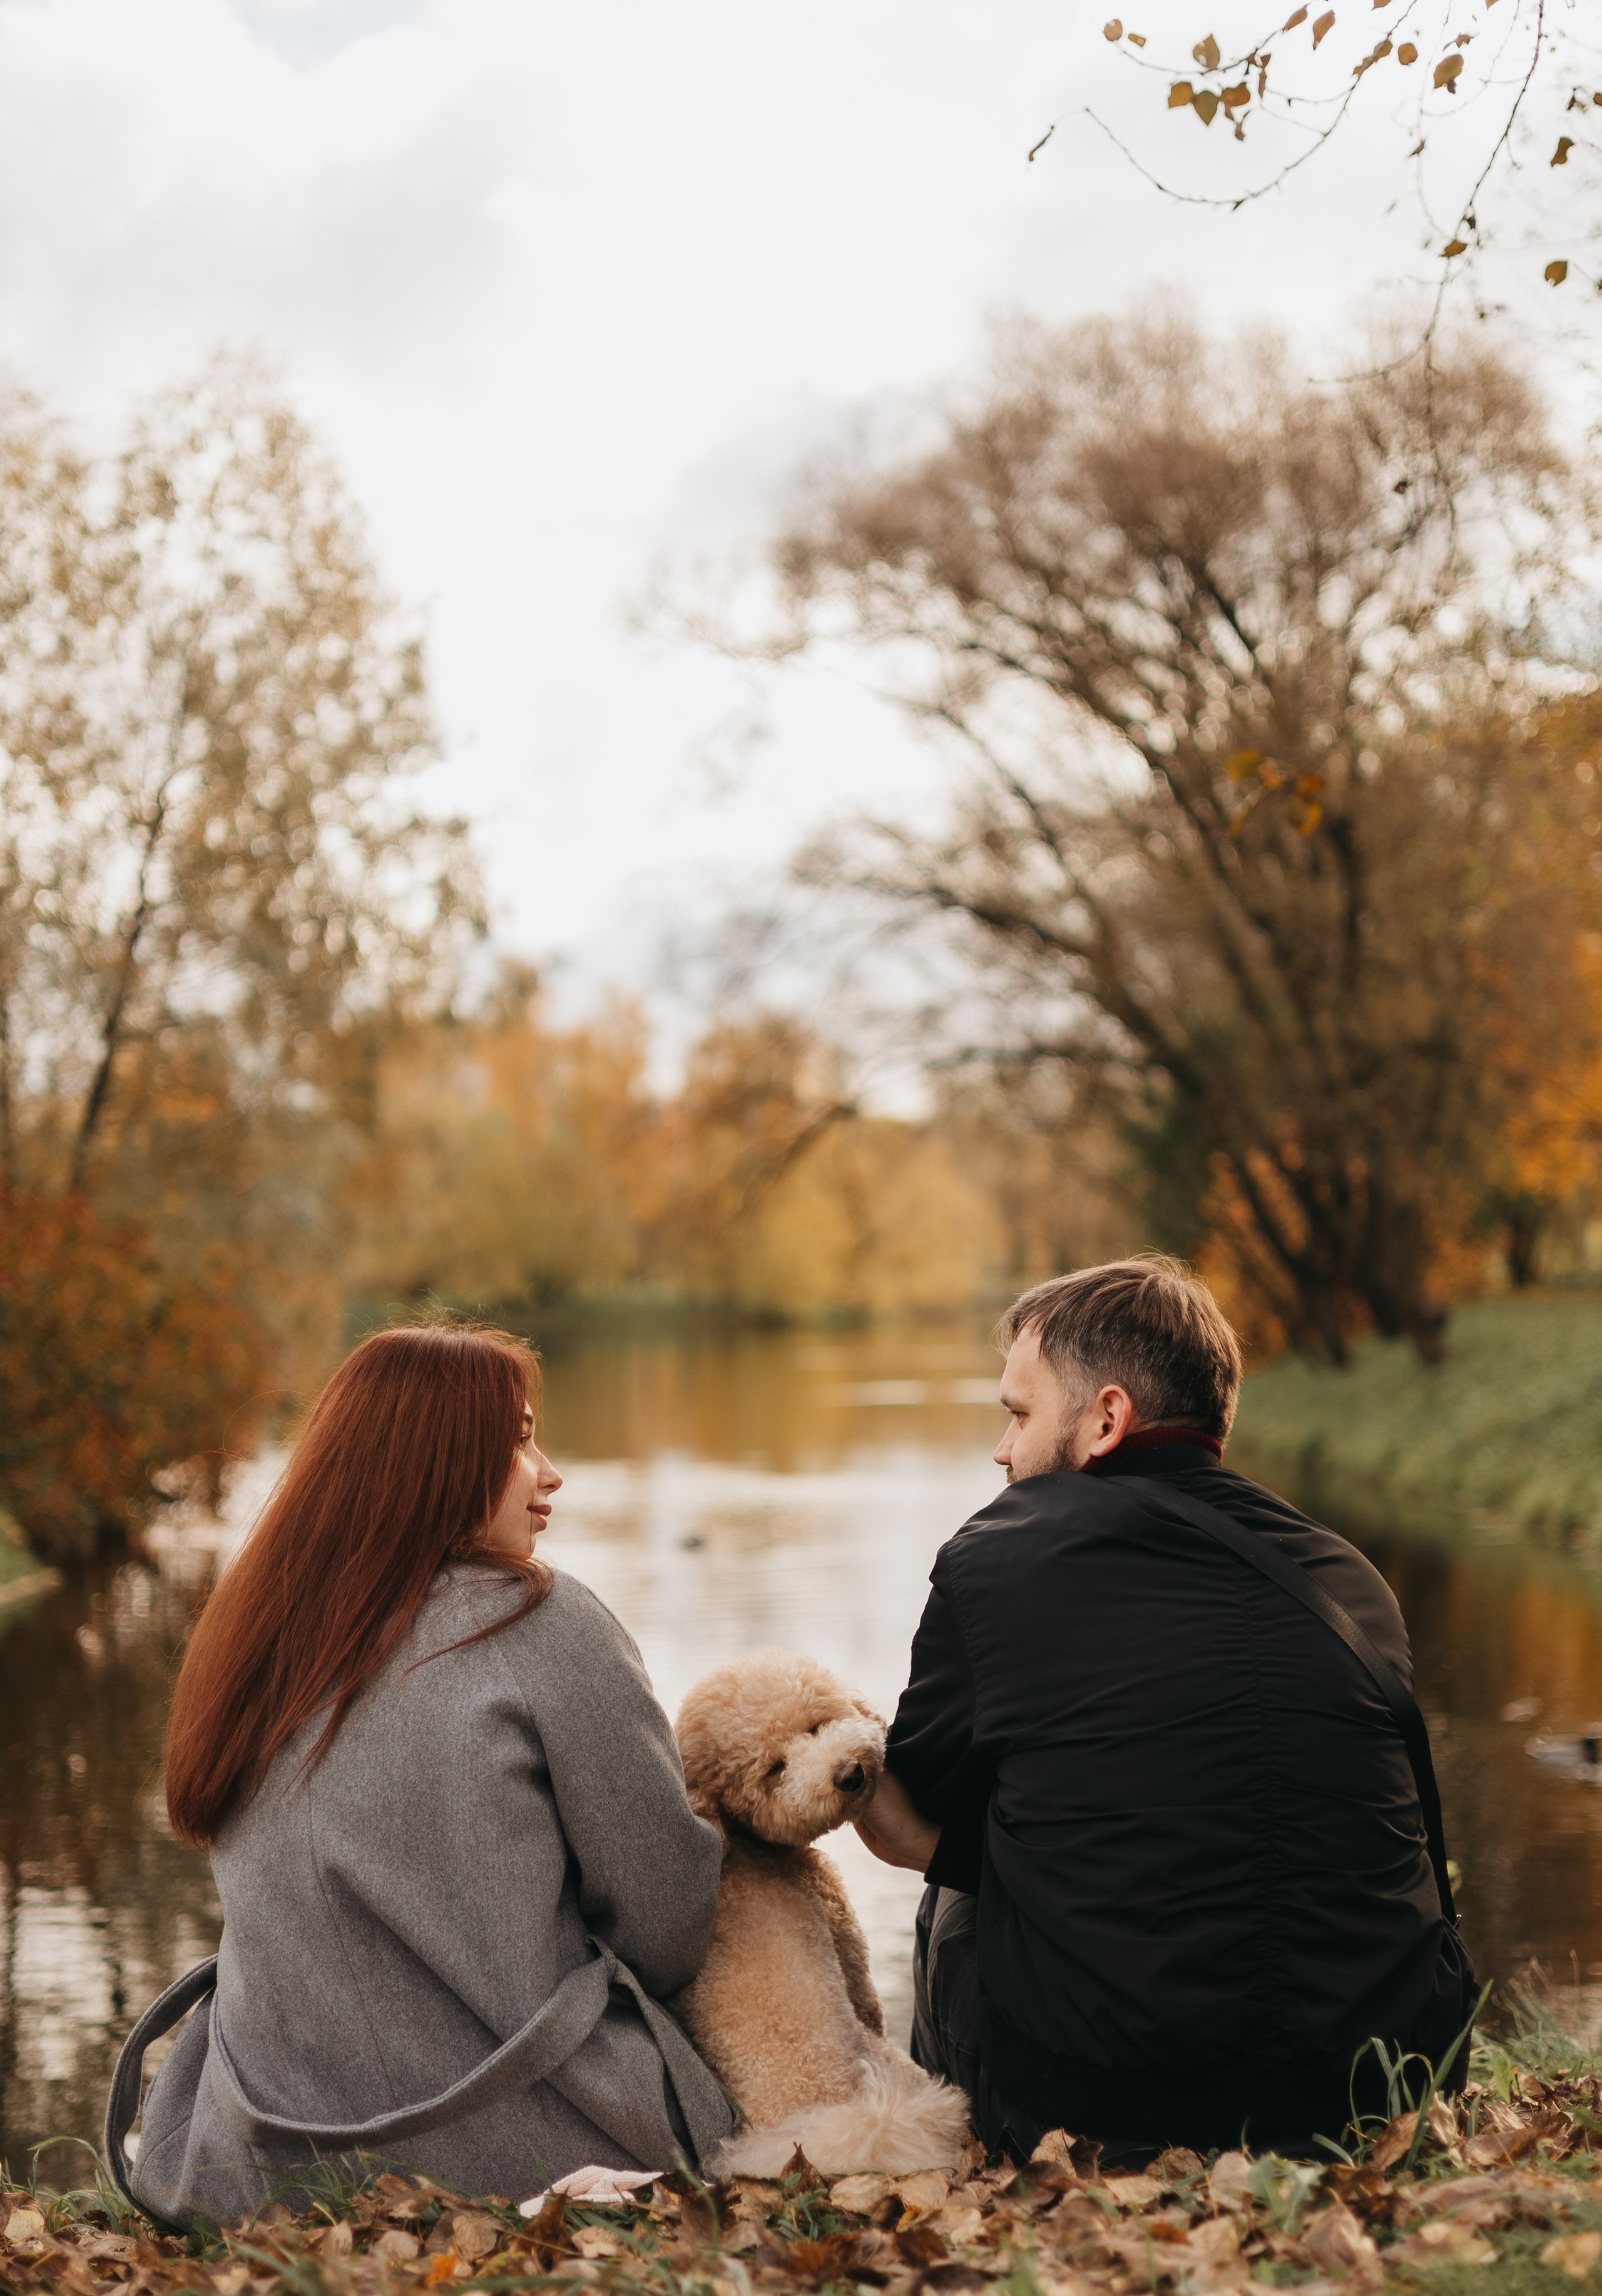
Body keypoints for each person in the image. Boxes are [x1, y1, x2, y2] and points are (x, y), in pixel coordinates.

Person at [108, 1322, 732, 2228]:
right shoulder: (544, 1622)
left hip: (260, 2163)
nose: (550, 1470)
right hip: (538, 2138)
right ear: (435, 1462)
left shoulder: (252, 1639)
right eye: (517, 1439)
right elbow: (670, 1922)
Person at [854, 1257, 1474, 2162]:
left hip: (1095, 2112)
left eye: (1019, 1414)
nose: (1003, 1450)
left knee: (959, 1891)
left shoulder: (994, 1558)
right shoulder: (1349, 1576)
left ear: (1106, 1419)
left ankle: (952, 2149)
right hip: (1370, 2095)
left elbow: (910, 1813)